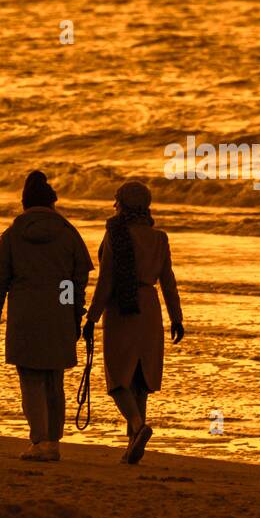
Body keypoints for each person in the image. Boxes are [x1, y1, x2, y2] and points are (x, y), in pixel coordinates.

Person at [0, 171, 92, 462]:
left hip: (24, 313)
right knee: (53, 380)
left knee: (30, 379)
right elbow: (76, 279)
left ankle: (38, 440)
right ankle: (53, 442)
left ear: (25, 202)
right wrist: (72, 312)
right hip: (58, 311)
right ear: (52, 202)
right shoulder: (69, 232)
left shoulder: (13, 233)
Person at [82, 180, 184, 464]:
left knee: (118, 379)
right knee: (140, 380)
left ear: (122, 204)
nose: (114, 206)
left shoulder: (116, 234)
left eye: (117, 201)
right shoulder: (159, 238)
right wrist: (177, 317)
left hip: (121, 308)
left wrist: (92, 316)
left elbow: (106, 281)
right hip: (150, 308)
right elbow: (168, 282)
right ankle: (132, 446)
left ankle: (137, 427)